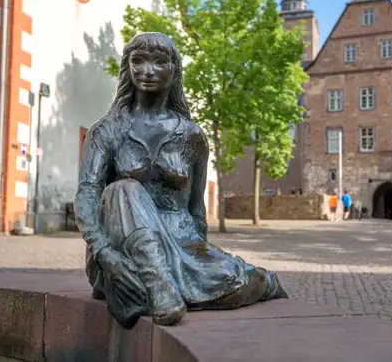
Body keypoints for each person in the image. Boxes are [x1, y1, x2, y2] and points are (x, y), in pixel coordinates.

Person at [74, 32, 288, 329]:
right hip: (119, 253)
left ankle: (170, 287)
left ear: (174, 69)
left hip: (181, 243)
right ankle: (159, 284)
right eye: (138, 61)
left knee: (244, 279)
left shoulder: (192, 136)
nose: (147, 71)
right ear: (127, 67)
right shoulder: (107, 131)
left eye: (159, 62)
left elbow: (196, 209)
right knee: (123, 189)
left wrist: (203, 256)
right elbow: (86, 195)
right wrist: (105, 255)